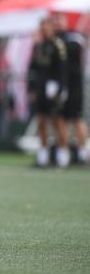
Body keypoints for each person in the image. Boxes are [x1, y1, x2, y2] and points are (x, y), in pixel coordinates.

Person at [27, 18, 68, 167]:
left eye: (47, 27)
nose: (44, 30)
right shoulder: (39, 46)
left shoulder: (58, 45)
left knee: (58, 121)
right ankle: (43, 156)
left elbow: (63, 68)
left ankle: (62, 156)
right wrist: (31, 89)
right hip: (41, 88)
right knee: (42, 121)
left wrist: (61, 87)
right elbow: (32, 68)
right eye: (42, 27)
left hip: (54, 88)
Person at [53, 13, 88, 164]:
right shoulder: (54, 40)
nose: (58, 23)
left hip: (74, 85)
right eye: (56, 21)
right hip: (59, 84)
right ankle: (63, 153)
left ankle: (83, 153)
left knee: (76, 118)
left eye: (60, 20)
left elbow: (74, 50)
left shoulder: (73, 37)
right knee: (59, 119)